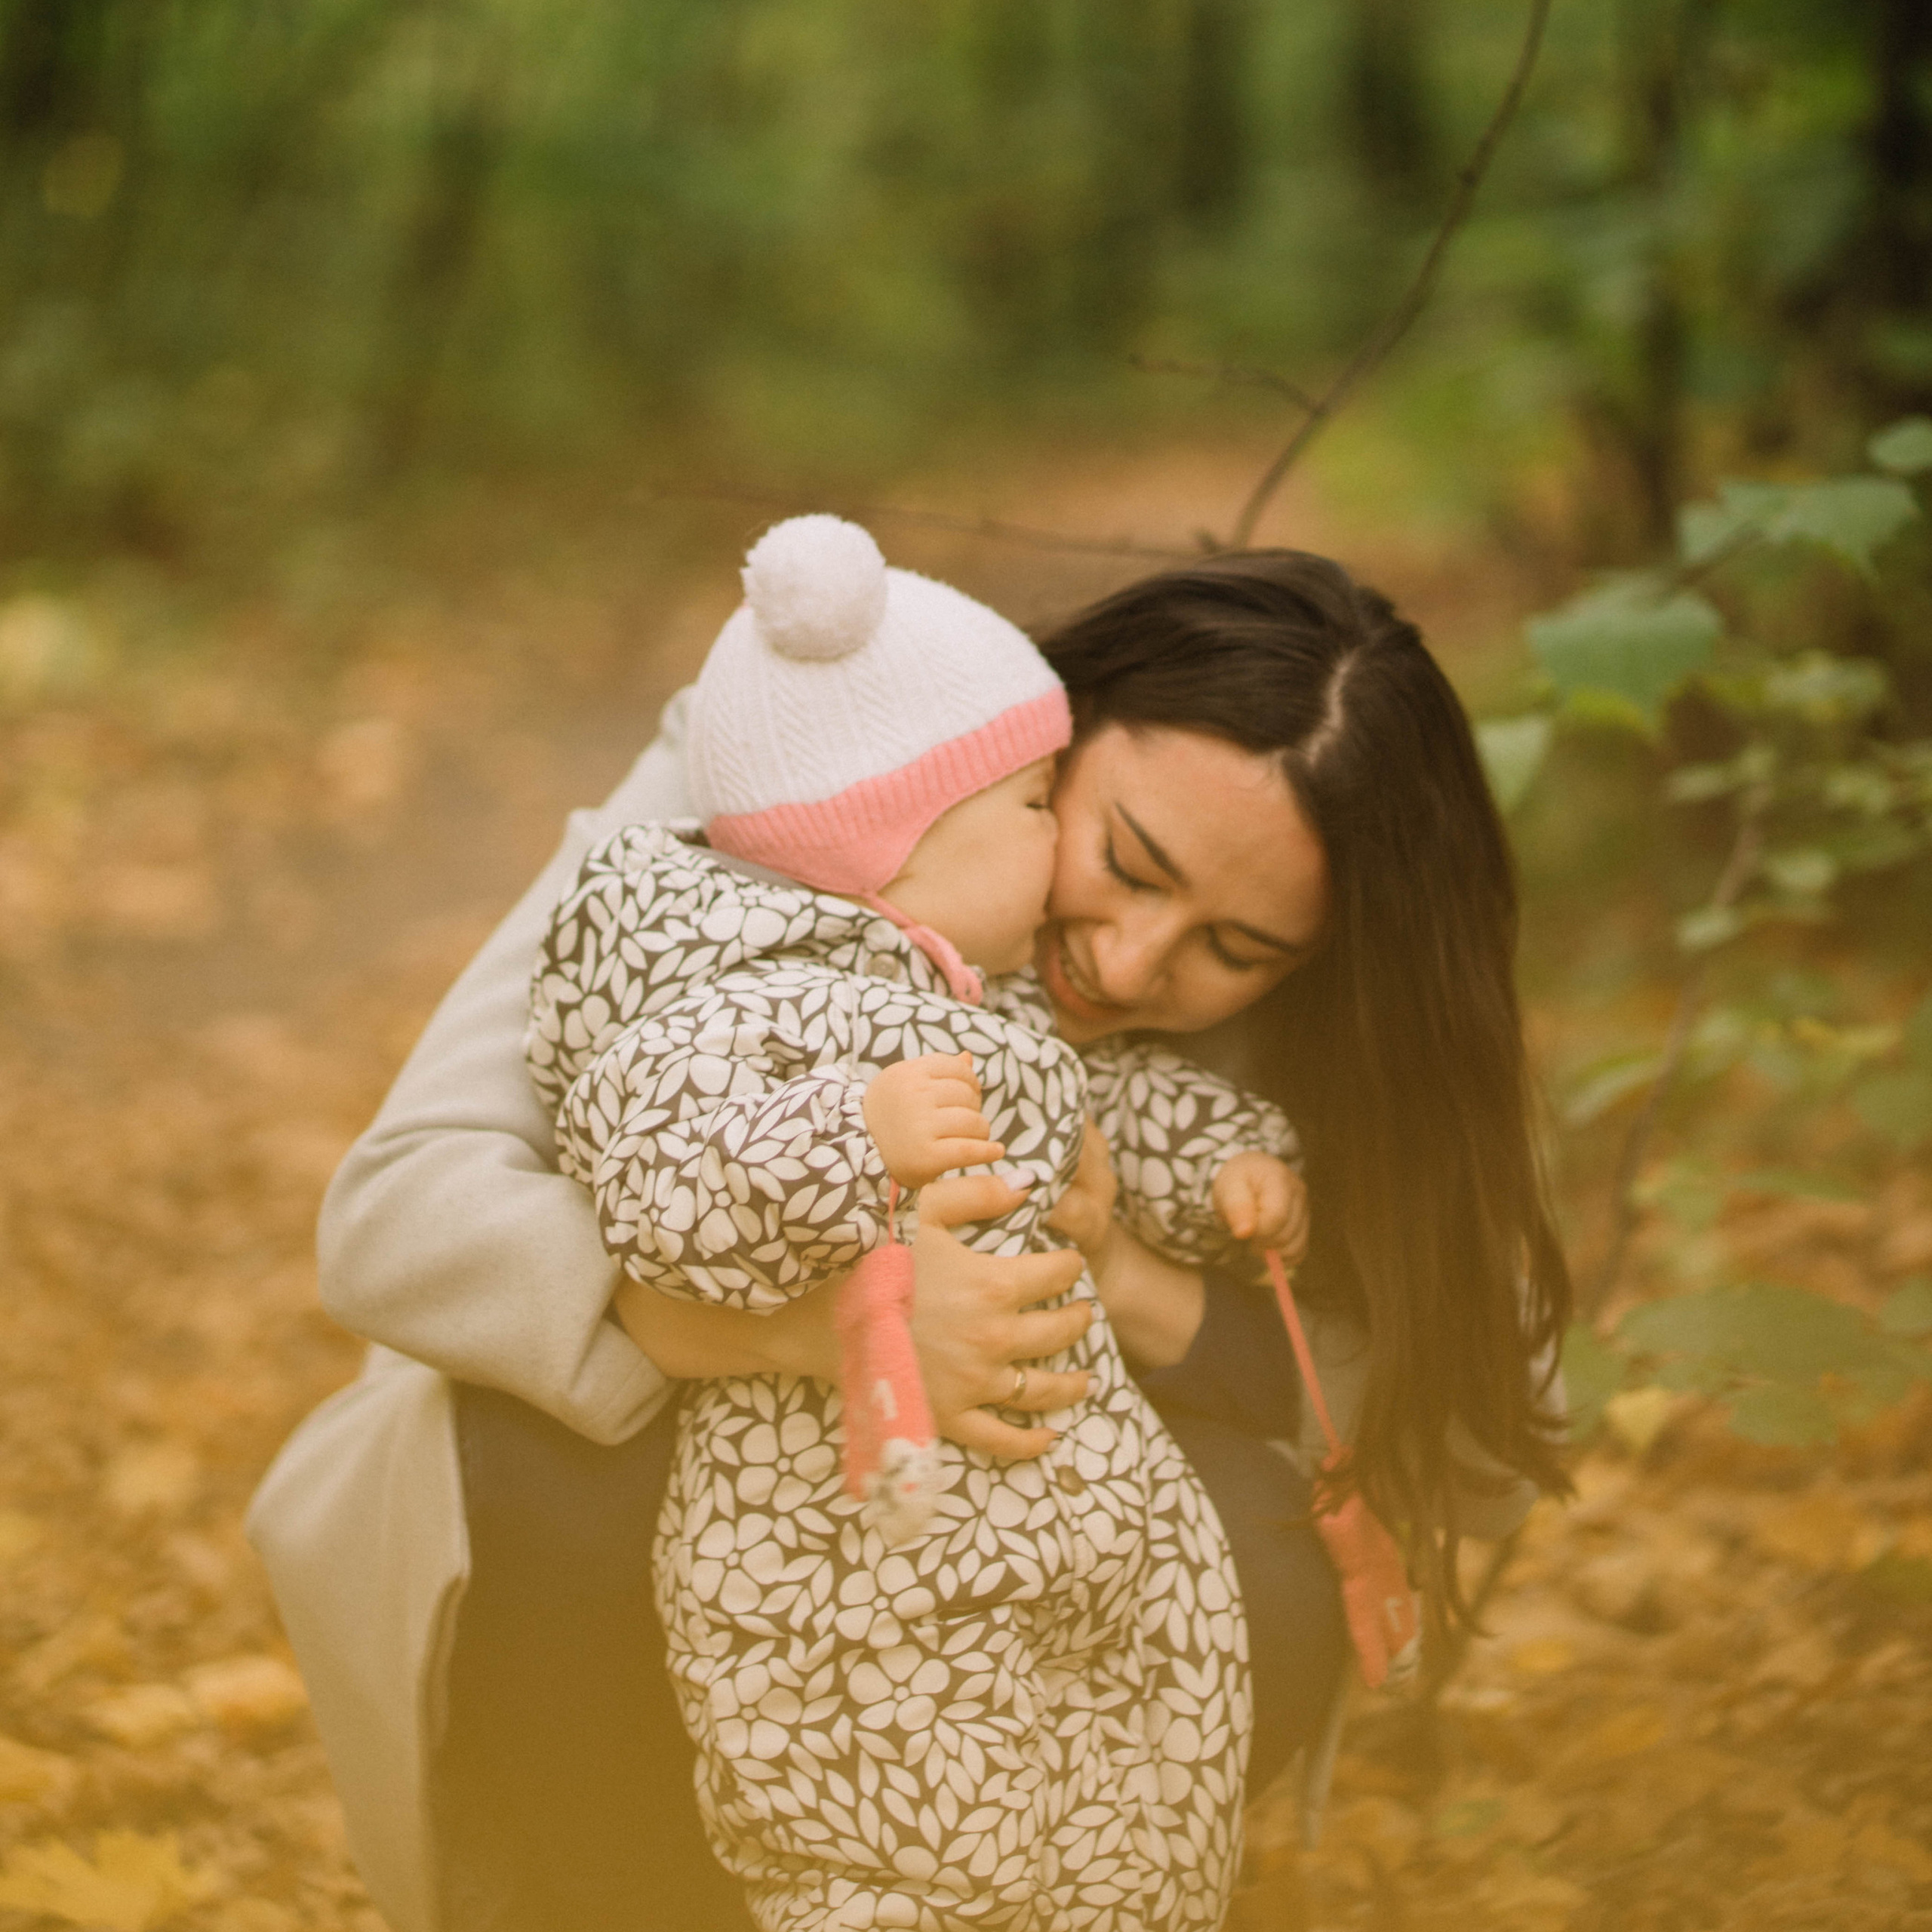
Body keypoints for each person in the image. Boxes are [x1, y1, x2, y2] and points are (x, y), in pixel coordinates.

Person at [248, 546, 1569, 1932]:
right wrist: (830, 1332)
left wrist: (1126, 1279)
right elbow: (397, 1215)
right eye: (1123, 861)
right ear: (1047, 727)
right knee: (550, 1470)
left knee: (1264, 1556)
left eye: (1235, 952)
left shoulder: (1345, 1015)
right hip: (661, 1489)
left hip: (1018, 1569)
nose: (1127, 962)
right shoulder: (787, 761)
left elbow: (1487, 1435)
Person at [525, 515, 1306, 1932]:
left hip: (1074, 1530)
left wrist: (1227, 1173)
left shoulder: (976, 991)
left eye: (1236, 948)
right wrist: (852, 1175)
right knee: (888, 1843)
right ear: (895, 834)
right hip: (846, 1538)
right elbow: (668, 1172)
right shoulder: (736, 971)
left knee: (1114, 1823)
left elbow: (1118, 1100)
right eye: (1056, 817)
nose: (1127, 955)